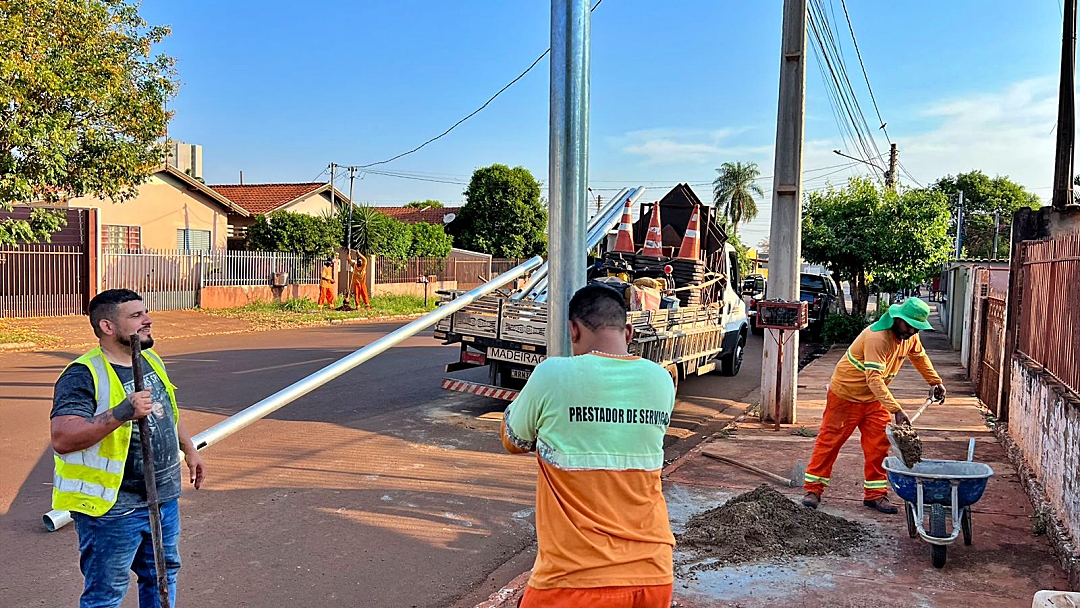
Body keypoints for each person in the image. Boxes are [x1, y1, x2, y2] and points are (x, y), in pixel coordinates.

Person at [501, 284, 676, 608]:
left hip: (571, 581)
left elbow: (513, 440)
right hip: (652, 573)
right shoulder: (661, 380)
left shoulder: (552, 374)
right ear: (629, 331)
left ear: (573, 329)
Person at [51, 289, 206, 607]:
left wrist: (189, 449)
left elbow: (166, 409)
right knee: (106, 593)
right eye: (136, 316)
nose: (148, 320)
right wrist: (123, 412)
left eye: (145, 312)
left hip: (161, 499)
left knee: (162, 576)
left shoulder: (150, 359)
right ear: (108, 327)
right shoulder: (83, 374)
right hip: (112, 509)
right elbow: (63, 438)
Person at [801, 297, 946, 514]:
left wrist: (935, 381)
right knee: (829, 443)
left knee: (879, 446)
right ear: (897, 319)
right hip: (845, 397)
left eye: (917, 328)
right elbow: (874, 379)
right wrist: (896, 409)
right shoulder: (878, 338)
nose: (912, 332)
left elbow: (920, 357)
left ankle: (875, 495)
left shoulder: (910, 338)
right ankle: (813, 490)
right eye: (909, 326)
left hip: (874, 399)